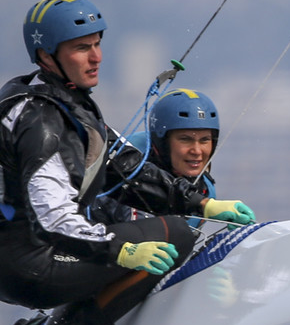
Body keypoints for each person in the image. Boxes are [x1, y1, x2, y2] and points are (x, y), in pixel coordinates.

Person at [0, 0, 254, 325]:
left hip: (18, 255)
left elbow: (121, 163)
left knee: (164, 227)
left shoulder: (63, 99)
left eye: (98, 43)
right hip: (27, 262)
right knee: (173, 236)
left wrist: (203, 203)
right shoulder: (42, 121)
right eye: (81, 47)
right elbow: (54, 220)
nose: (96, 56)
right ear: (48, 54)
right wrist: (121, 251)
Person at [104, 87, 253, 230]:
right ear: (162, 143)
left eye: (204, 140)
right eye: (185, 139)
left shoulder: (205, 189)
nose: (197, 151)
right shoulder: (124, 169)